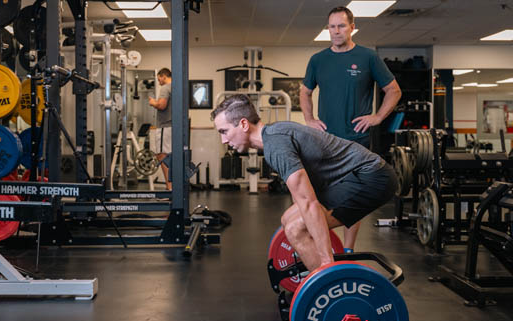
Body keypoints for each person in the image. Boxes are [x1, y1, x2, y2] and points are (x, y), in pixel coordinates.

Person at [211, 94, 396, 272]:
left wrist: (326, 262)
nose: (224, 140)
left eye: (224, 131)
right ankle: (319, 272)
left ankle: (329, 288)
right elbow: (301, 197)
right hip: (350, 177)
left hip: (371, 178)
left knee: (296, 229)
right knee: (287, 220)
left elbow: (309, 203)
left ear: (243, 124)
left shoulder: (276, 146)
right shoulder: (274, 134)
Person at [299, 6, 402, 253]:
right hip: (324, 139)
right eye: (332, 26)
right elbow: (305, 91)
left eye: (341, 26)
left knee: (352, 196)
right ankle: (320, 242)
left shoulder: (368, 58)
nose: (336, 31)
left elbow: (394, 90)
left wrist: (377, 117)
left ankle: (347, 250)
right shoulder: (318, 60)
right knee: (321, 192)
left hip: (356, 140)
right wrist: (309, 119)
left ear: (352, 27)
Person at [149, 68, 173, 190]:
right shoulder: (177, 87)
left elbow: (162, 105)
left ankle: (170, 189)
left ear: (164, 76)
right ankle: (173, 188)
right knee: (171, 156)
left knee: (162, 156)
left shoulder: (166, 88)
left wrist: (153, 102)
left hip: (165, 126)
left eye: (159, 79)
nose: (159, 82)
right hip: (173, 127)